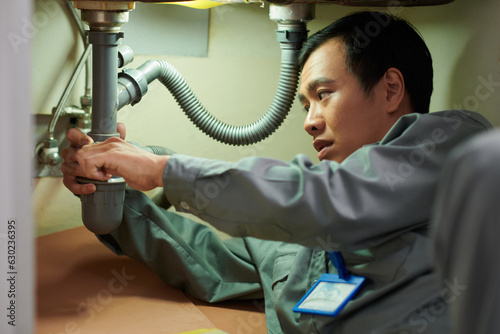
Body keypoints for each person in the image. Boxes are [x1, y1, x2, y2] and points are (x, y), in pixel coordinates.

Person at [61, 11, 492, 333]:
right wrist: (109, 189)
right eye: (306, 106)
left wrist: (158, 169)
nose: (309, 121)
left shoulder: (453, 146)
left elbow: (331, 200)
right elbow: (207, 264)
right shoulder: (294, 226)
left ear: (391, 89)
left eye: (324, 95)